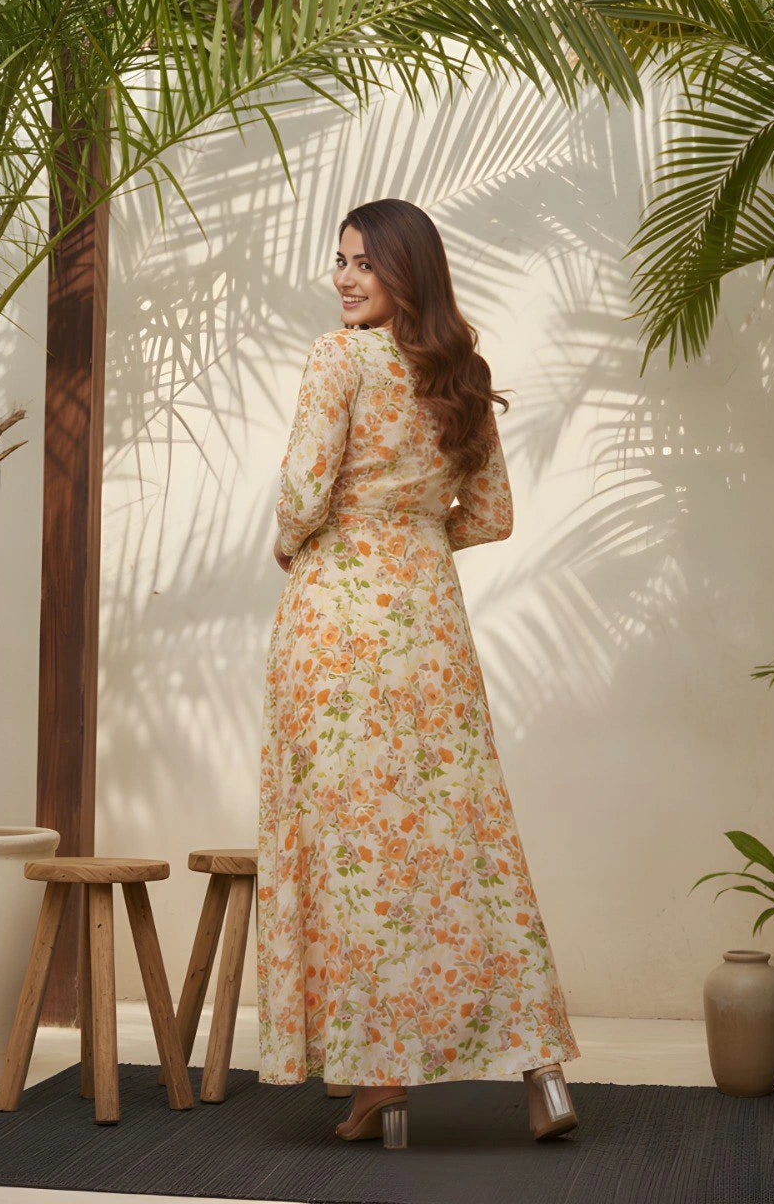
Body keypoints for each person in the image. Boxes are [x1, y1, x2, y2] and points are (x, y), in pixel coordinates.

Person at [257, 198, 580, 1149]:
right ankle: (543, 1078)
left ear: (408, 270)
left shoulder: (339, 357)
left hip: (335, 632)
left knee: (358, 848)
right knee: (464, 836)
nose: (344, 277)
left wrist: (292, 543)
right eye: (340, 260)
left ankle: (382, 1085)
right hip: (429, 627)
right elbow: (490, 516)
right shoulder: (461, 373)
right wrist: (413, 532)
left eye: (364, 262)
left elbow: (304, 490)